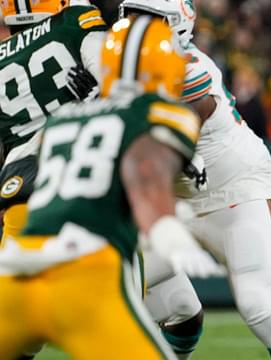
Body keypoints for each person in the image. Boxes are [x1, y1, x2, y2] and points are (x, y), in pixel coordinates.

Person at [0, 14, 219, 359]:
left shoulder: (65, 117)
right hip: (90, 268)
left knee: (180, 307)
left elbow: (18, 173)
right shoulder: (162, 115)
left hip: (21, 269)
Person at [118, 1, 271, 359]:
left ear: (177, 25)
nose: (135, 25)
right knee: (135, 294)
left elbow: (174, 133)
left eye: (147, 18)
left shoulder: (192, 68)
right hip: (178, 205)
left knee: (261, 309)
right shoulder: (115, 67)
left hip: (236, 194)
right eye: (132, 15)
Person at [0, 0, 106, 244]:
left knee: (15, 278)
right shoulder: (75, 20)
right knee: (122, 276)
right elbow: (122, 85)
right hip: (85, 176)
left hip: (22, 189)